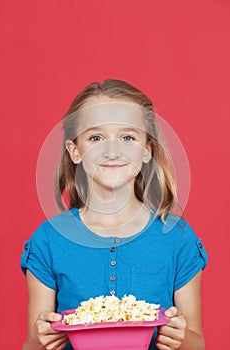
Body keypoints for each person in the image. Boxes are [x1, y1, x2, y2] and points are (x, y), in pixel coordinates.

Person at [21, 79, 208, 350]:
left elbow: (197, 342)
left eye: (128, 137)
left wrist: (181, 339)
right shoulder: (48, 240)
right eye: (96, 138)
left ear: (147, 150)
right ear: (75, 151)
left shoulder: (177, 238)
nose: (112, 151)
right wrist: (41, 341)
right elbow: (31, 344)